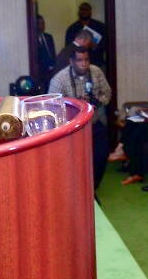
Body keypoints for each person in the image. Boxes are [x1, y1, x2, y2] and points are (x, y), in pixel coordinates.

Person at [47, 44, 113, 187]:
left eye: (86, 60)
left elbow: (107, 93)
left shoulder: (96, 72)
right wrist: (76, 106)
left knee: (101, 155)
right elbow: (51, 108)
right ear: (71, 61)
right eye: (79, 60)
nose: (84, 64)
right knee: (76, 160)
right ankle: (79, 187)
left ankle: (93, 187)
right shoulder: (59, 80)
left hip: (95, 122)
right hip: (72, 128)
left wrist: (97, 101)